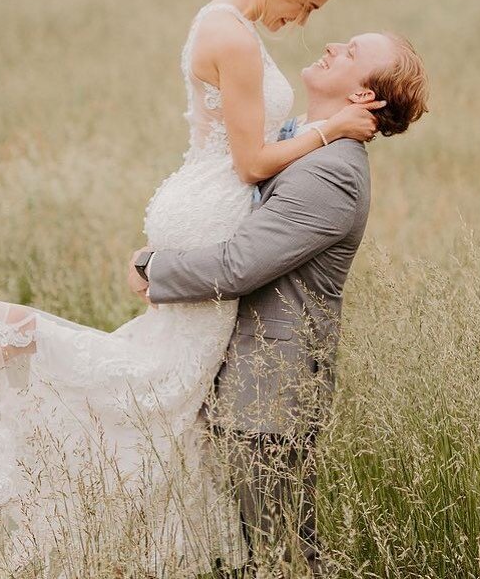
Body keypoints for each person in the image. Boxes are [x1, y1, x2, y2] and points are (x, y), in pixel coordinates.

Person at [0, 0, 382, 578]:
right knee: (155, 388)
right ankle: (13, 340)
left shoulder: (225, 20)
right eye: (311, 5)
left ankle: (141, 546)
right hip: (211, 205)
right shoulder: (233, 36)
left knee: (168, 389)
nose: (306, 22)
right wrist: (331, 129)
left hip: (203, 199)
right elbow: (253, 163)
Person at [128, 31, 429, 577]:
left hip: (270, 394)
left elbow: (239, 265)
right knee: (238, 555)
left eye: (353, 53)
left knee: (282, 555)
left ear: (365, 98)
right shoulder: (305, 145)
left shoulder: (333, 173)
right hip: (236, 380)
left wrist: (154, 267)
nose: (335, 46)